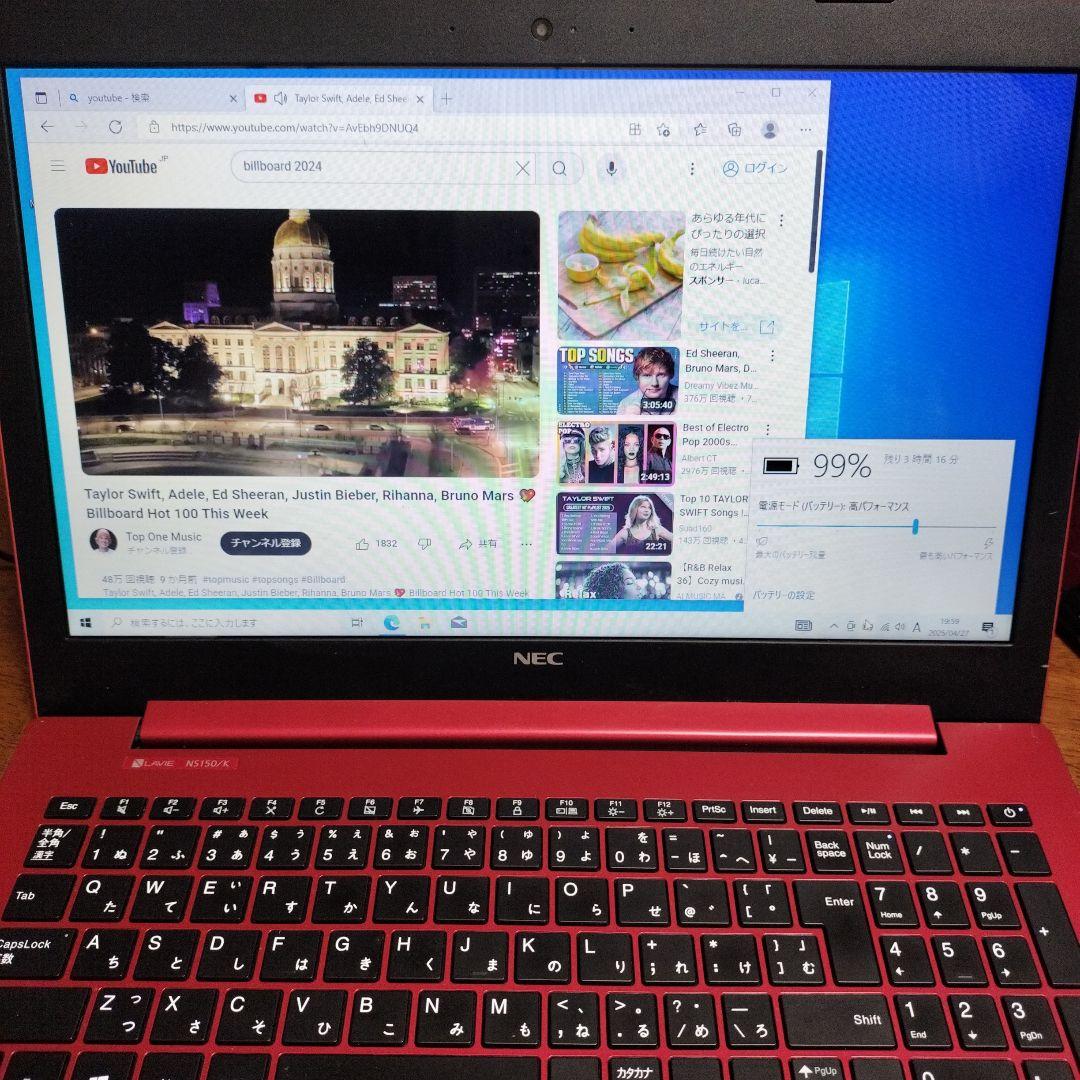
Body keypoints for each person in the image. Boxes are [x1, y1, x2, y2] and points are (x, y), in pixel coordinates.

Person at [616, 347, 679, 415]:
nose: (654, 383)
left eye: (661, 375)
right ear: (637, 377)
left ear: (671, 374)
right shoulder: (625, 405)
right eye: (647, 375)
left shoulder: (682, 396)